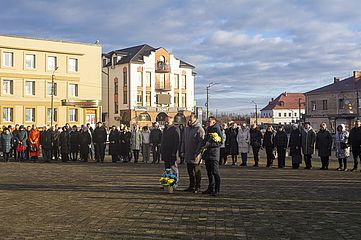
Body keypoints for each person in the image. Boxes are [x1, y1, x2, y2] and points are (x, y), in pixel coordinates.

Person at [182, 113, 205, 193]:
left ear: (195, 119)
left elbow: (201, 143)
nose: (189, 120)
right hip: (188, 153)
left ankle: (197, 187)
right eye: (189, 119)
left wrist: (198, 153)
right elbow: (184, 141)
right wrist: (182, 150)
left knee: (196, 171)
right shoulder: (187, 129)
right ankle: (191, 186)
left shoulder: (199, 129)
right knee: (190, 171)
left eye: (191, 119)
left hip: (196, 154)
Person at [202, 116, 222, 197]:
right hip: (207, 154)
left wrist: (209, 144)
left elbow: (220, 142)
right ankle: (211, 188)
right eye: (207, 121)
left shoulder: (217, 129)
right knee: (209, 173)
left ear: (214, 122)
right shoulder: (208, 129)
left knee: (215, 172)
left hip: (214, 154)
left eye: (209, 121)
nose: (207, 122)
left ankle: (217, 190)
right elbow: (206, 140)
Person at [161, 116, 180, 187]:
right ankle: (167, 183)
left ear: (171, 121)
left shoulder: (175, 129)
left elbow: (177, 142)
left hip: (172, 152)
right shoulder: (165, 129)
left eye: (167, 121)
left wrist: (174, 152)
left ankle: (174, 183)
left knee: (174, 168)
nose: (166, 122)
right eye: (165, 121)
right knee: (167, 169)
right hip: (165, 152)